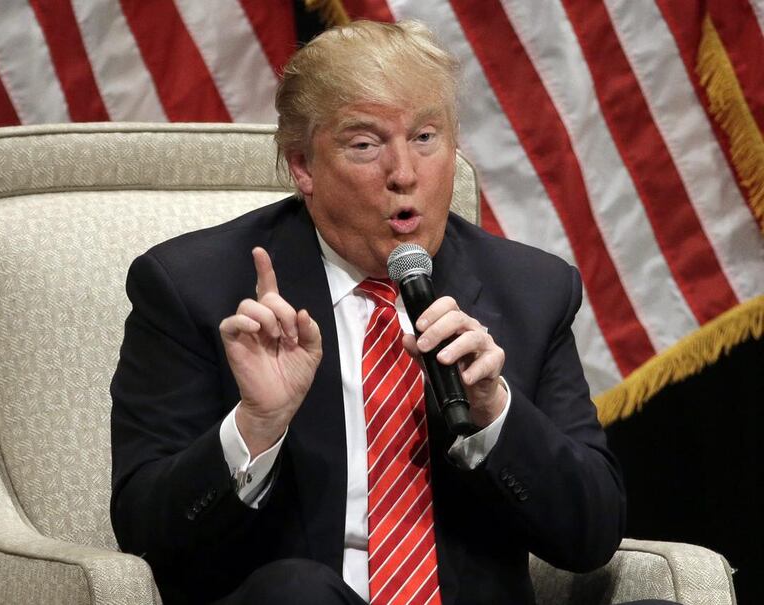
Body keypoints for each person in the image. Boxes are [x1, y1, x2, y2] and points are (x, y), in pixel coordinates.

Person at [111, 20, 651, 605]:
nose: (404, 174)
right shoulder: (196, 287)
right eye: (365, 145)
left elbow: (591, 536)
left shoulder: (531, 290)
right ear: (303, 167)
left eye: (425, 137)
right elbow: (146, 532)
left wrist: (497, 415)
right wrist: (255, 427)